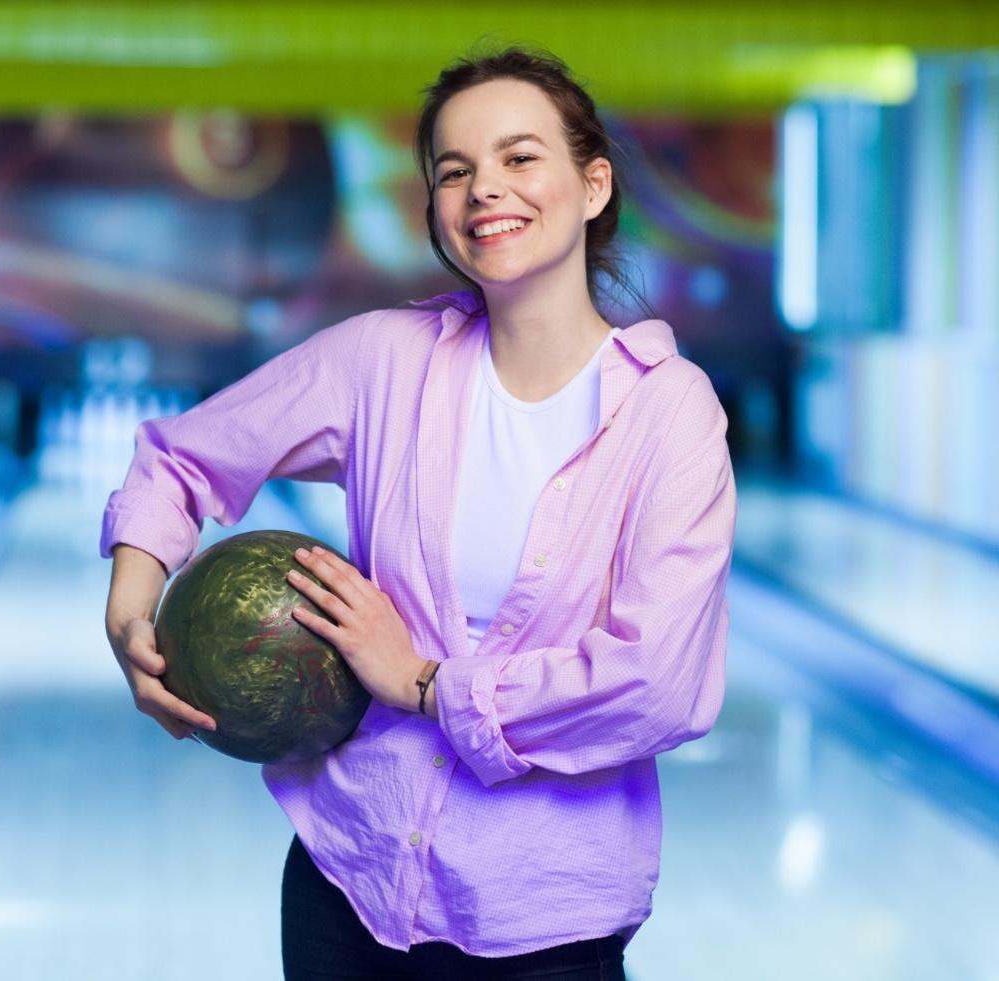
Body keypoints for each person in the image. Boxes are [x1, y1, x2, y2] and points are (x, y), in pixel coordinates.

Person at [101, 45, 736, 981]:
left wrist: (424, 683)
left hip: (543, 925)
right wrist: (128, 615)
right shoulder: (383, 362)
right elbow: (180, 455)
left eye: (520, 158)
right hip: (344, 884)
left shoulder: (671, 411)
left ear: (593, 183)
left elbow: (659, 683)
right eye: (454, 170)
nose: (486, 189)